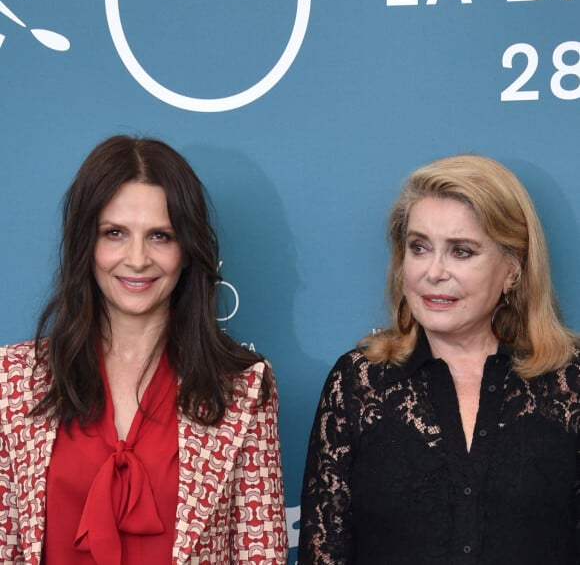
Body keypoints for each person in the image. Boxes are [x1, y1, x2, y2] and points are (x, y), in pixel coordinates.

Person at [0, 135, 288, 564]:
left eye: (160, 236)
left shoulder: (243, 389)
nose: (137, 259)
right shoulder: (14, 379)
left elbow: (259, 556)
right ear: (86, 244)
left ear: (187, 251)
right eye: (114, 233)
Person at [298, 154, 580, 564]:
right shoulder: (358, 383)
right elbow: (323, 554)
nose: (434, 271)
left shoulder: (570, 382)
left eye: (461, 251)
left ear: (512, 270)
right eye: (419, 248)